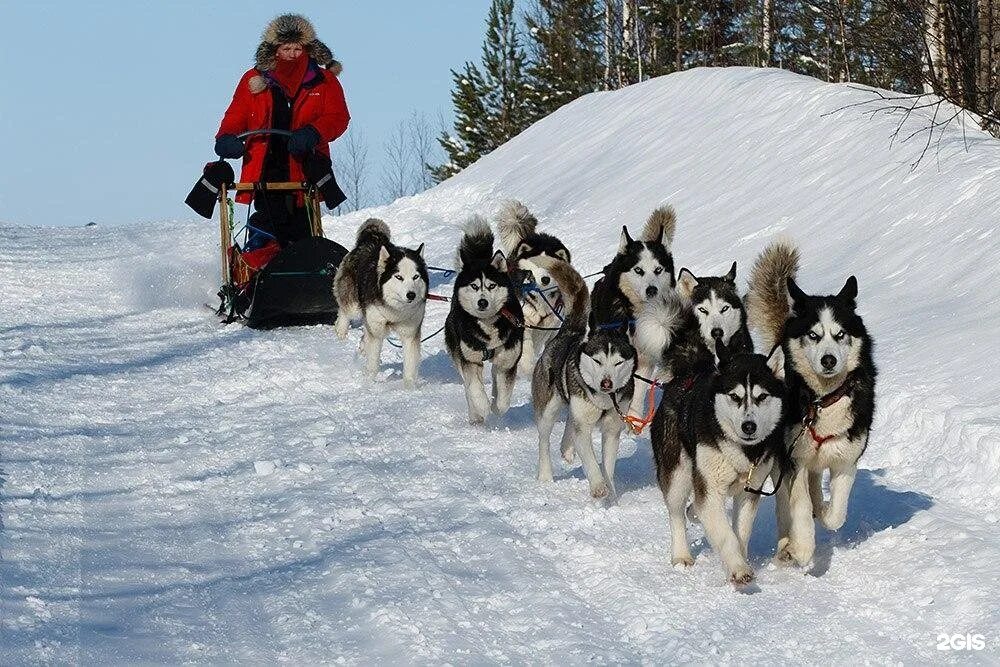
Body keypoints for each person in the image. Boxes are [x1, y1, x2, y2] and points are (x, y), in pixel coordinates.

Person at [215, 14, 350, 249]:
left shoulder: (323, 80)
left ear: (307, 48)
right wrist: (226, 138)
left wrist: (314, 132)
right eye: (285, 48)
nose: (292, 54)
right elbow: (236, 116)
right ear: (274, 48)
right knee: (265, 233)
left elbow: (338, 117)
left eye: (297, 48)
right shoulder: (253, 80)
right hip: (264, 172)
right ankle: (259, 271)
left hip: (306, 170)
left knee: (304, 235)